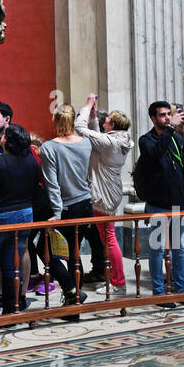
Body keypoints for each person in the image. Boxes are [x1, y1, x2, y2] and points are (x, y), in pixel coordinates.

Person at [134, 101, 184, 305]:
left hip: (181, 204)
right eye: (162, 115)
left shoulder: (178, 139)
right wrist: (170, 129)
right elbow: (154, 154)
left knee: (180, 249)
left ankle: (181, 291)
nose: (167, 118)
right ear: (153, 118)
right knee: (158, 249)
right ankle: (159, 293)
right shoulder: (146, 140)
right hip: (159, 204)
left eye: (168, 115)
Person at [40, 103, 101, 299]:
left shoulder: (49, 147)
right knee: (74, 253)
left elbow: (52, 184)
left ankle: (71, 290)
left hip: (66, 207)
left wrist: (56, 213)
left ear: (55, 120)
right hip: (85, 204)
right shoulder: (85, 142)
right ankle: (75, 298)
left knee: (44, 249)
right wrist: (92, 116)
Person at [74, 96, 133, 289]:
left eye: (106, 119)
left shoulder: (111, 143)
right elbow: (97, 136)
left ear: (112, 124)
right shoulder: (119, 139)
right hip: (110, 192)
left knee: (109, 238)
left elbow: (80, 129)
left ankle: (118, 281)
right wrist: (93, 115)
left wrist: (87, 105)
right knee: (107, 237)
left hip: (103, 194)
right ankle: (114, 279)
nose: (104, 120)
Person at [0, 124, 42, 315]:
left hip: (1, 216)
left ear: (7, 141)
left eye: (3, 136)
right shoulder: (31, 162)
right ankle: (12, 307)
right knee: (11, 264)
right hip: (25, 214)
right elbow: (36, 188)